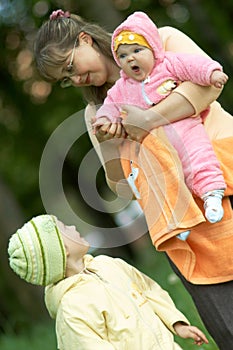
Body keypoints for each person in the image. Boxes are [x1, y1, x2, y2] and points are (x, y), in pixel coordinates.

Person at [34, 9, 233, 348]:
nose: (75, 80)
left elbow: (207, 87)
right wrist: (112, 149)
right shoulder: (97, 113)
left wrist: (147, 120)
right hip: (177, 215)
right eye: (65, 80)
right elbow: (121, 188)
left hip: (222, 170)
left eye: (70, 67)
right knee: (226, 322)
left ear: (85, 39)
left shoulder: (161, 40)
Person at [94, 11, 228, 238]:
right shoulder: (122, 88)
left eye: (137, 51)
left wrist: (211, 73)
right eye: (124, 56)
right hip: (156, 145)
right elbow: (109, 106)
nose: (131, 59)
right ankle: (178, 222)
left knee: (199, 155)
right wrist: (104, 121)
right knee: (161, 179)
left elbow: (193, 66)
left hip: (184, 125)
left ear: (153, 50)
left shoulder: (167, 65)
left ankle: (211, 193)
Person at [8, 214, 209, 349]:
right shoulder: (72, 308)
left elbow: (147, 290)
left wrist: (176, 323)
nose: (72, 226)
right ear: (61, 250)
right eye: (64, 228)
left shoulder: (108, 265)